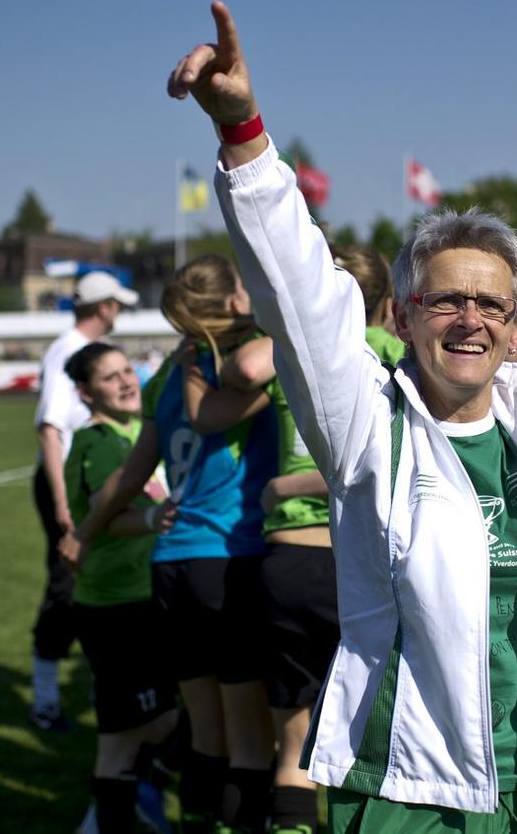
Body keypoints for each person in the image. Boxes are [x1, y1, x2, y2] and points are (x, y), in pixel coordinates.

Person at [168, 1, 517, 832]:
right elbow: (297, 293)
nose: (469, 318)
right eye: (445, 300)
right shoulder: (364, 422)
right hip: (409, 785)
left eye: (491, 303)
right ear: (399, 315)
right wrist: (244, 135)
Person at [182, 244, 406, 834]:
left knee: (294, 745)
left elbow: (216, 406)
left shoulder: (296, 355)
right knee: (376, 741)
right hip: (361, 563)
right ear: (386, 303)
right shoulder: (398, 356)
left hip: (284, 563)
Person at [63, 255, 279, 833]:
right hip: (228, 557)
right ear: (233, 300)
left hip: (171, 567)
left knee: (206, 735)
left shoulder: (165, 373)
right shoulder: (251, 357)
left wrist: (84, 530)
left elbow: (134, 470)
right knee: (253, 745)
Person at [62, 342, 180, 833]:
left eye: (126, 370)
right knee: (127, 734)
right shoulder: (98, 442)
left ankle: (129, 798)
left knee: (160, 720)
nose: (126, 381)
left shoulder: (135, 430)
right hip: (115, 606)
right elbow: (111, 520)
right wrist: (157, 516)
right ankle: (107, 816)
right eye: (110, 378)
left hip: (141, 596)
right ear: (87, 393)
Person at [30, 269, 137, 731]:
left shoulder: (76, 348)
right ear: (105, 307)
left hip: (93, 476)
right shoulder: (69, 352)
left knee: (100, 577)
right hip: (74, 483)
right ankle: (47, 699)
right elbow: (51, 429)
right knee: (67, 584)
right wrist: (62, 504)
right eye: (118, 304)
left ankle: (111, 689)